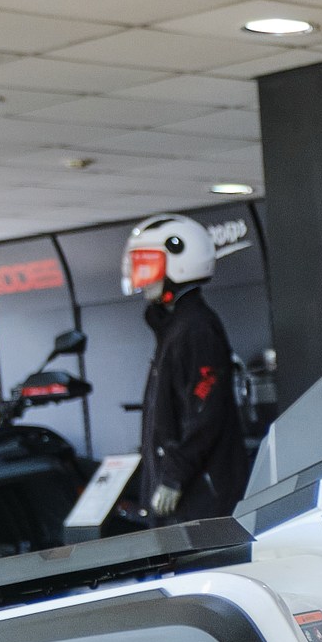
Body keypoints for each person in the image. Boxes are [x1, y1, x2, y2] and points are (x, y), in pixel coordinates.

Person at [126, 213, 247, 522]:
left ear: (179, 265)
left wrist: (173, 477)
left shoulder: (195, 329)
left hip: (200, 497)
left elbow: (205, 414)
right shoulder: (174, 328)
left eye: (147, 266)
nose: (142, 278)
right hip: (188, 496)